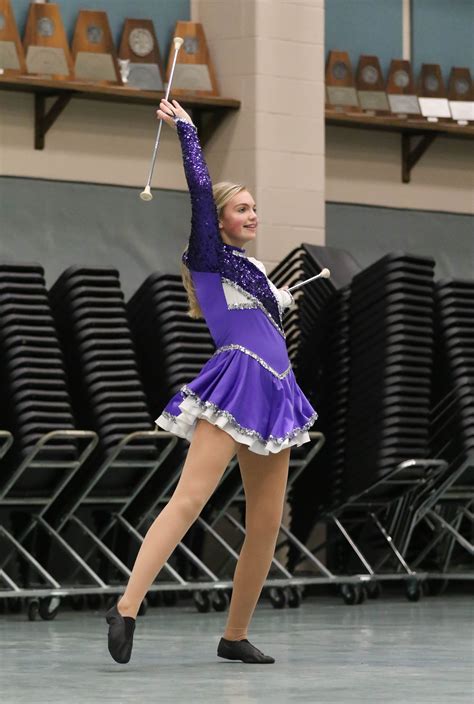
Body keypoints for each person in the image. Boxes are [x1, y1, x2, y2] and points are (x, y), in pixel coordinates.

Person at [106, 98, 318, 665]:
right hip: (237, 381)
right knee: (191, 497)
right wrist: (190, 134)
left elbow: (260, 311)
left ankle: (234, 634)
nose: (252, 215)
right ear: (220, 218)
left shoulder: (250, 268)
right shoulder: (206, 253)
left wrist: (278, 298)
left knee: (267, 522)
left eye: (255, 208)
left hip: (275, 387)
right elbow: (200, 192)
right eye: (242, 209)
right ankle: (125, 607)